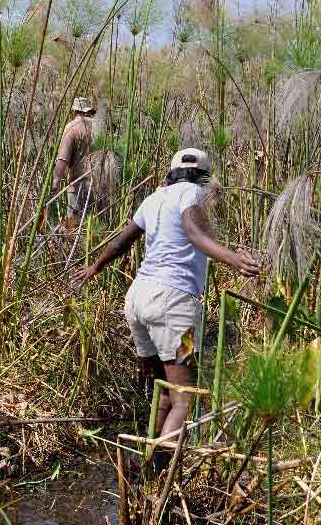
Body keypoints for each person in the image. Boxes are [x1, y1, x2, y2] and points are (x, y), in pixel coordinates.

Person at [72, 148, 261, 438]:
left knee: (164, 393)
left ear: (171, 174)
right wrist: (234, 259)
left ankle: (152, 460)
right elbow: (193, 233)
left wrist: (95, 267)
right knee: (184, 399)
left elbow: (121, 242)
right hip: (174, 305)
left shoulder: (153, 198)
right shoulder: (193, 194)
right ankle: (163, 462)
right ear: (205, 179)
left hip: (137, 302)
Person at [52, 97, 96, 228]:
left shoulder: (72, 128)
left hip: (77, 187)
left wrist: (56, 182)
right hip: (99, 186)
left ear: (75, 111)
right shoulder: (99, 128)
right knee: (93, 229)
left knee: (75, 229)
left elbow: (62, 159)